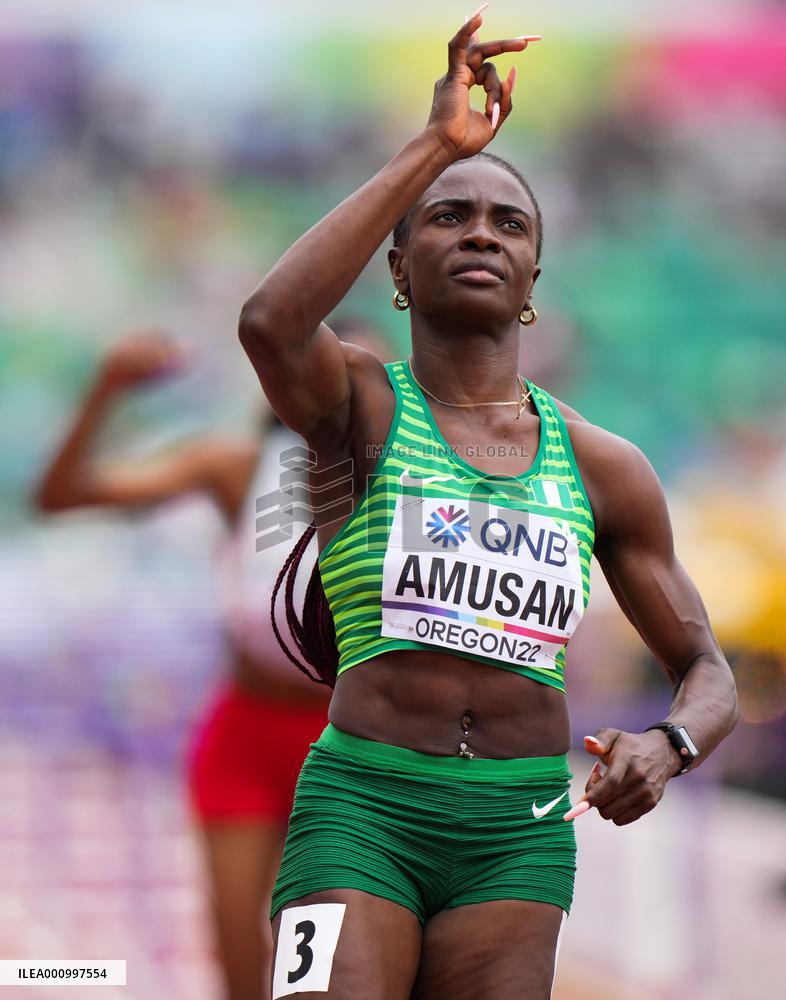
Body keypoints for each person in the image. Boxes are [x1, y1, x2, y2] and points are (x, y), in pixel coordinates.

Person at [238, 11, 738, 1000]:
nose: (478, 231)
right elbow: (268, 321)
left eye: (508, 222)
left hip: (519, 830)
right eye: (446, 214)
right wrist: (435, 146)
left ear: (532, 280)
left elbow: (708, 672)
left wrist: (669, 744)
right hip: (363, 806)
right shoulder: (362, 405)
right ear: (396, 267)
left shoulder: (604, 465)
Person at [34, 321, 387, 1000]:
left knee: (320, 962)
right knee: (235, 952)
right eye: (328, 371)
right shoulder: (238, 466)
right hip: (247, 733)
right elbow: (60, 497)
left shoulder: (411, 475)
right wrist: (108, 388)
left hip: (352, 743)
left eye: (367, 376)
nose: (344, 389)